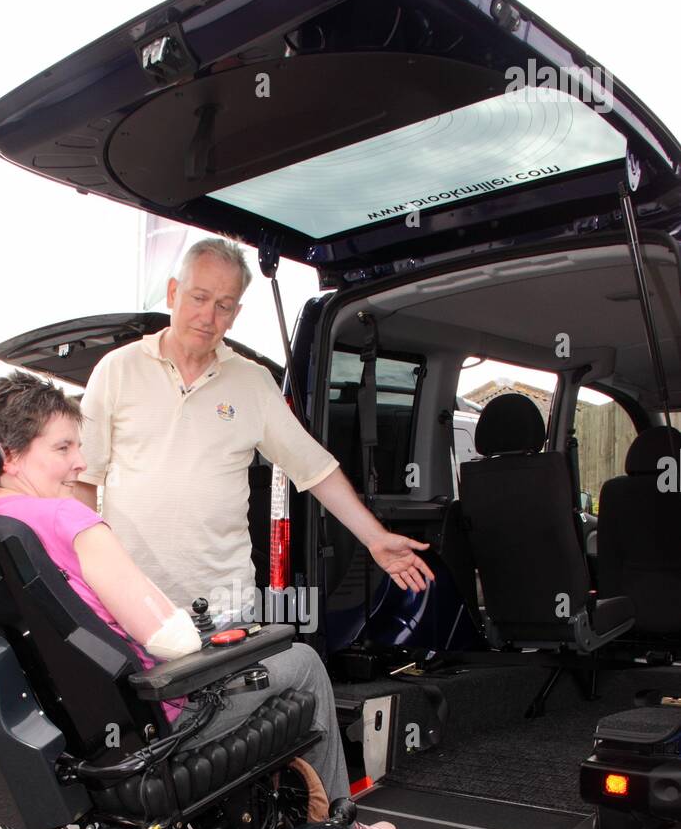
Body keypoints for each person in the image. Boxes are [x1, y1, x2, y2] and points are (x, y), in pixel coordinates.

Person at [0, 371, 397, 829]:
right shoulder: (65, 518)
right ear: (9, 455)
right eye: (64, 448)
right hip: (156, 721)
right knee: (299, 661)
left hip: (71, 735)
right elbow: (169, 639)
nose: (81, 463)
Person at [75, 236, 434, 618]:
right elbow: (82, 478)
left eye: (223, 306)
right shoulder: (117, 369)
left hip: (223, 605)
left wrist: (374, 537)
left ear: (235, 313)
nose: (208, 316)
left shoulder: (252, 382)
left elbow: (314, 467)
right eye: (198, 298)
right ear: (173, 292)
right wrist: (83, 570)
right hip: (129, 599)